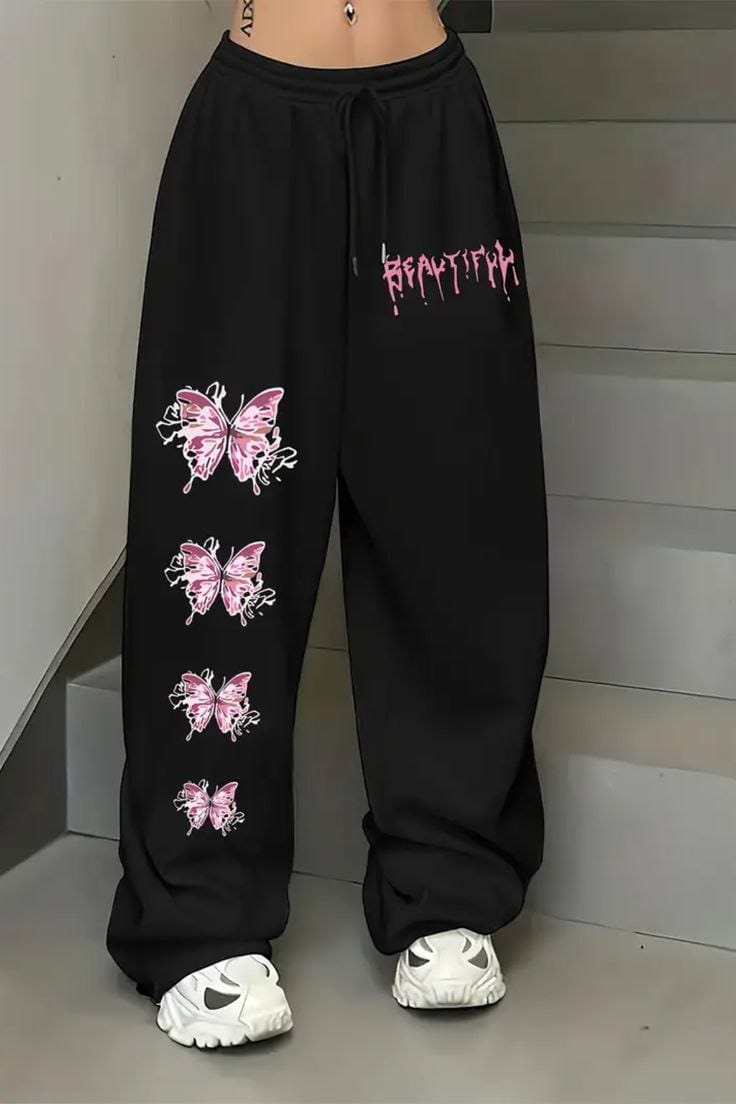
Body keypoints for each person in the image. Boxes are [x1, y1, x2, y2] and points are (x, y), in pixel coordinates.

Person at [107, 0, 549, 1048]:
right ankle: (200, 907)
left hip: (434, 128)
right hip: (253, 134)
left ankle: (446, 881)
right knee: (220, 519)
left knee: (456, 510)